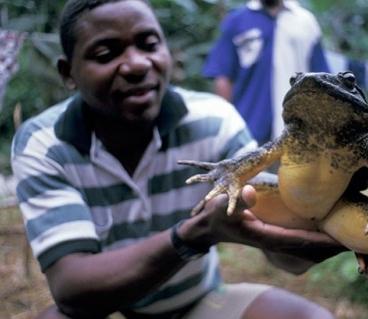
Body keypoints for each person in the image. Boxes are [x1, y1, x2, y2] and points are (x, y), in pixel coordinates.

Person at [11, 0, 344, 318]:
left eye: (149, 44)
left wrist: (332, 189)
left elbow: (286, 256)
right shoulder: (44, 144)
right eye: (106, 53)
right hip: (101, 309)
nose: (138, 64)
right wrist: (193, 235)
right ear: (68, 72)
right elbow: (73, 291)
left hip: (197, 304)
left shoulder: (214, 122)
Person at [203, 0, 330, 145]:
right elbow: (223, 77)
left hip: (297, 131)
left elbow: (321, 81)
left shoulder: (305, 22)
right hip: (247, 129)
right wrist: (225, 127)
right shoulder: (237, 20)